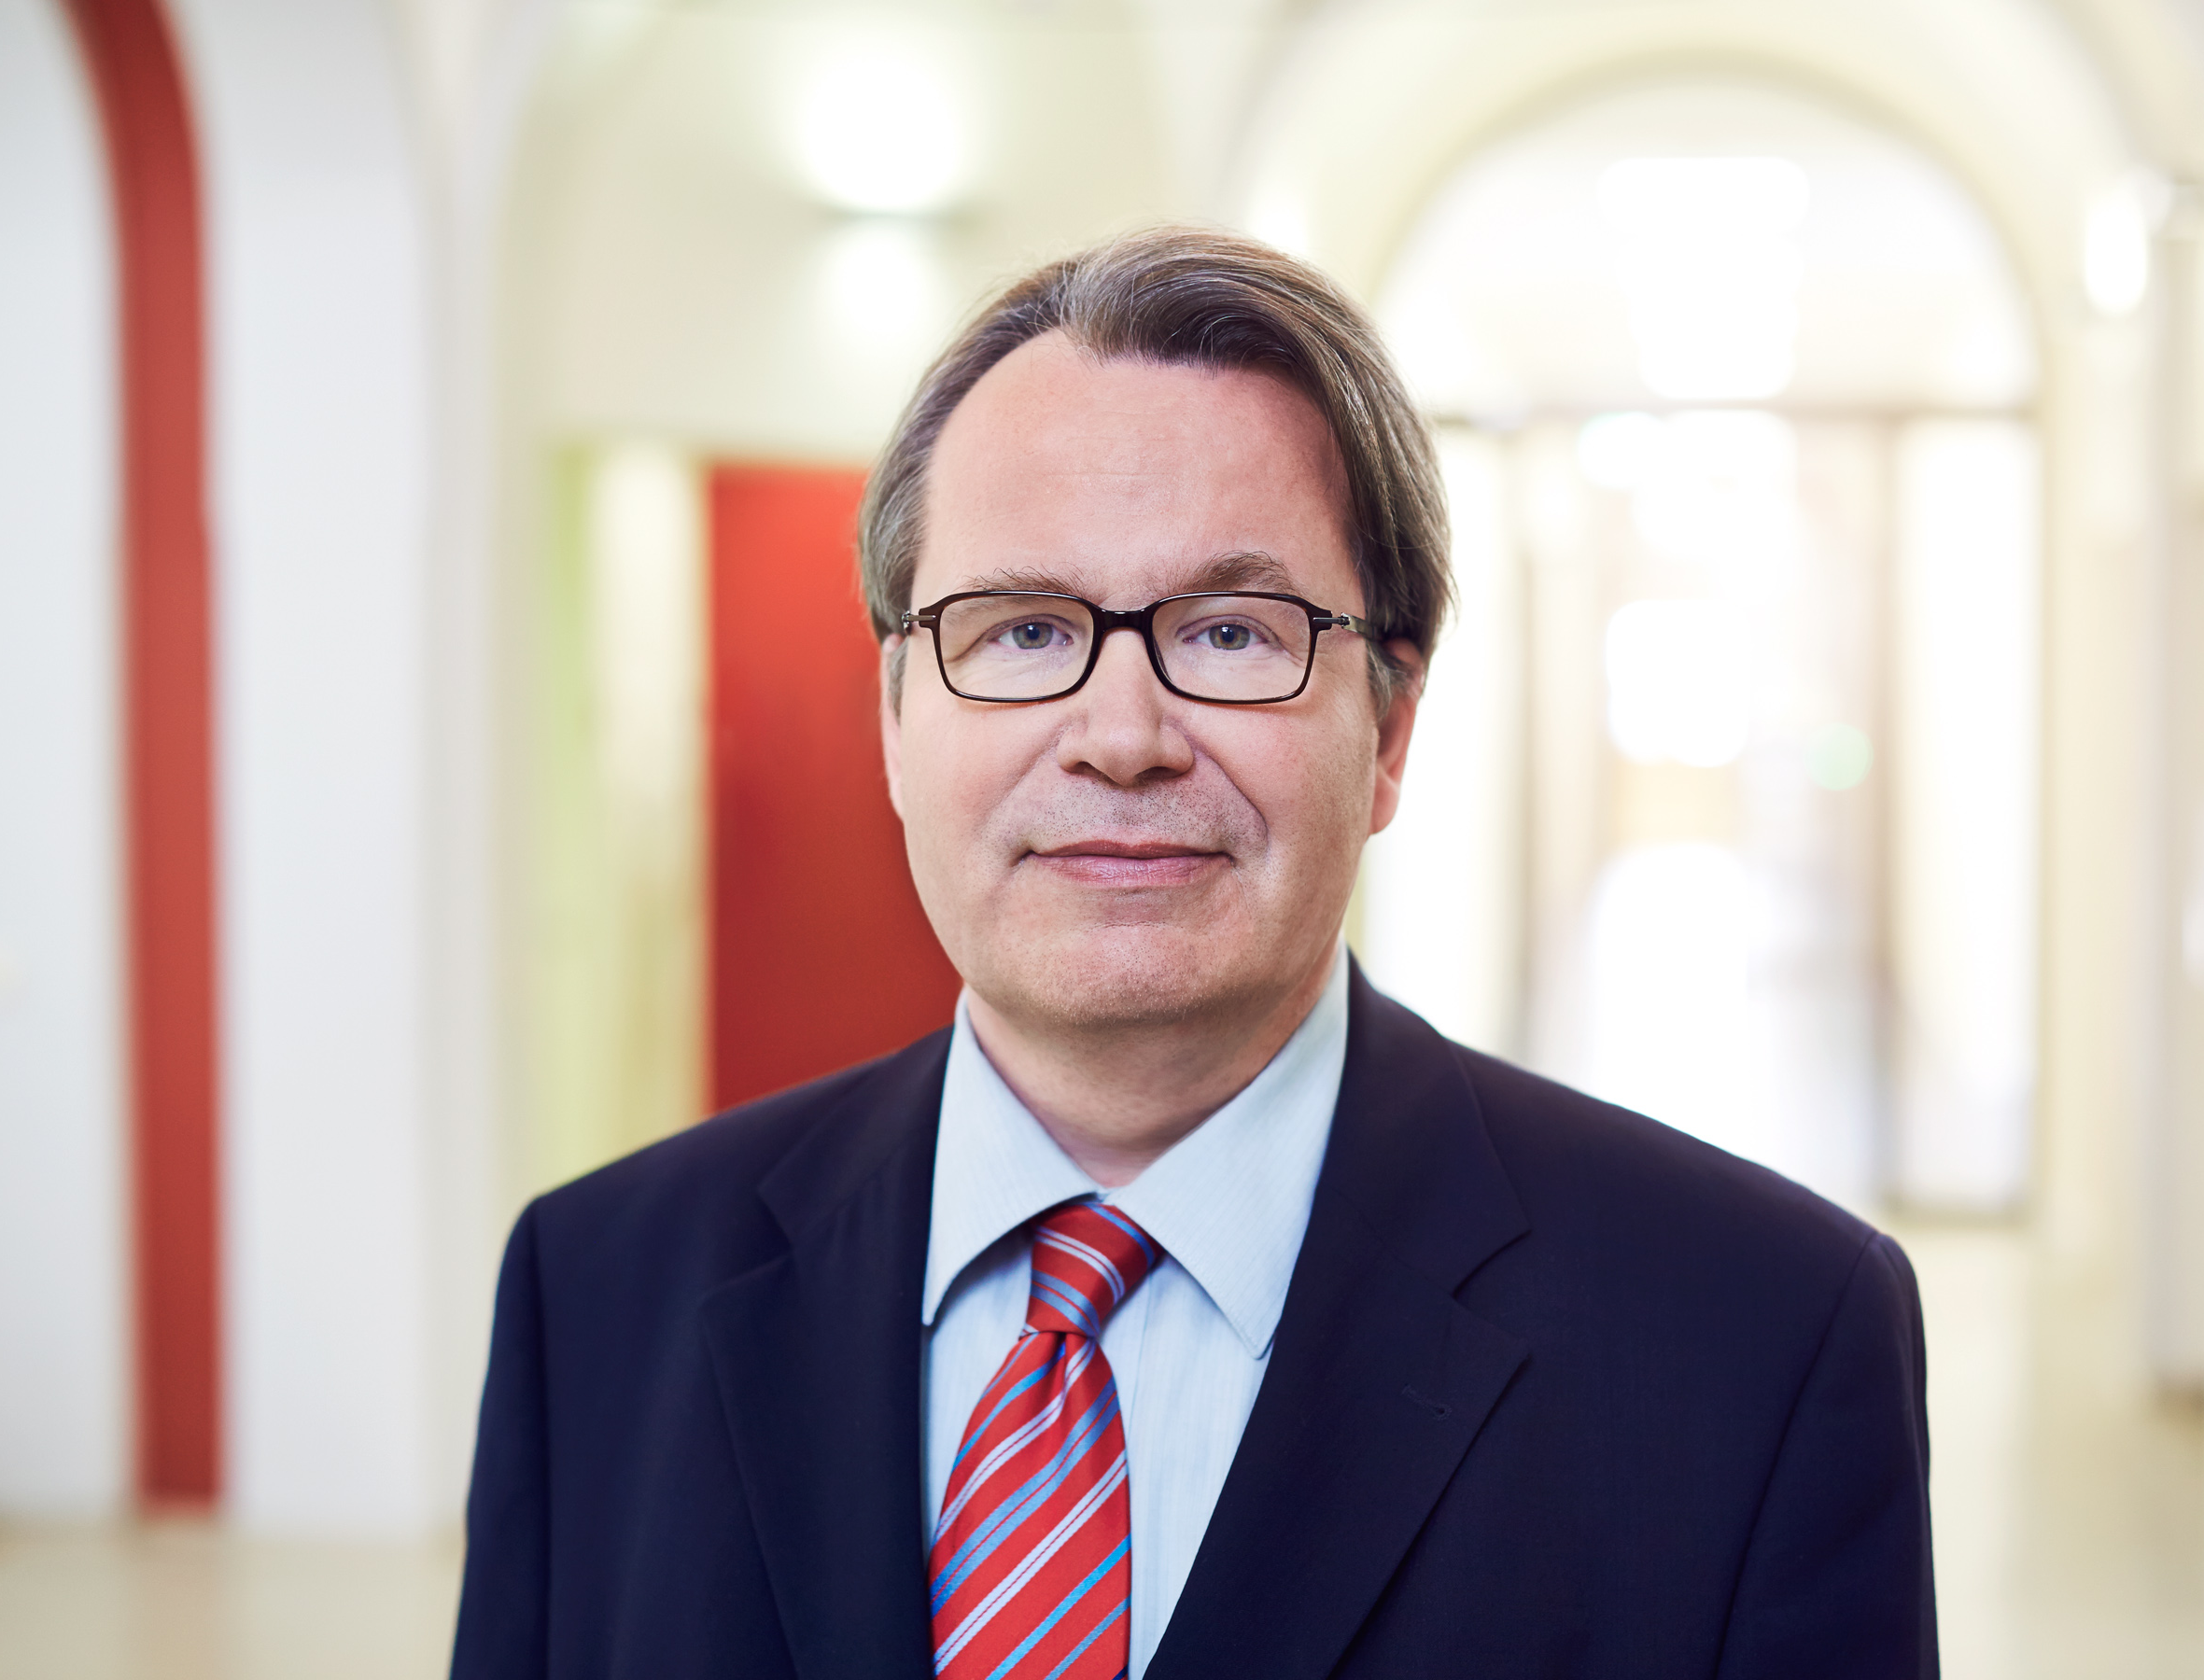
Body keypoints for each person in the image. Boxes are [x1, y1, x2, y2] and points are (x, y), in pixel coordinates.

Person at [451, 226, 1937, 1680]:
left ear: (1390, 731)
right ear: (898, 716)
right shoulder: (599, 1297)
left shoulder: (1761, 1348)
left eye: (1232, 632)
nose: (1121, 737)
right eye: (1023, 631)